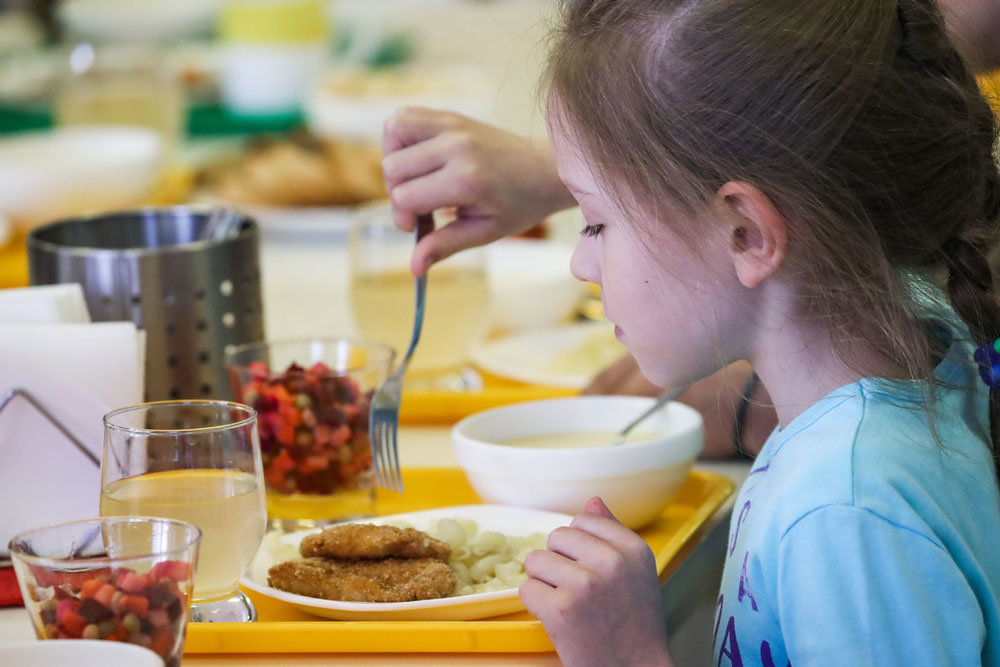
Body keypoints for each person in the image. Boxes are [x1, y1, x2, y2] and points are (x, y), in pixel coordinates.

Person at [384, 0, 1000, 664]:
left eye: (595, 222)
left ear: (747, 233)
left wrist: (629, 653)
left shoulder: (847, 516)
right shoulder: (914, 328)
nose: (580, 263)